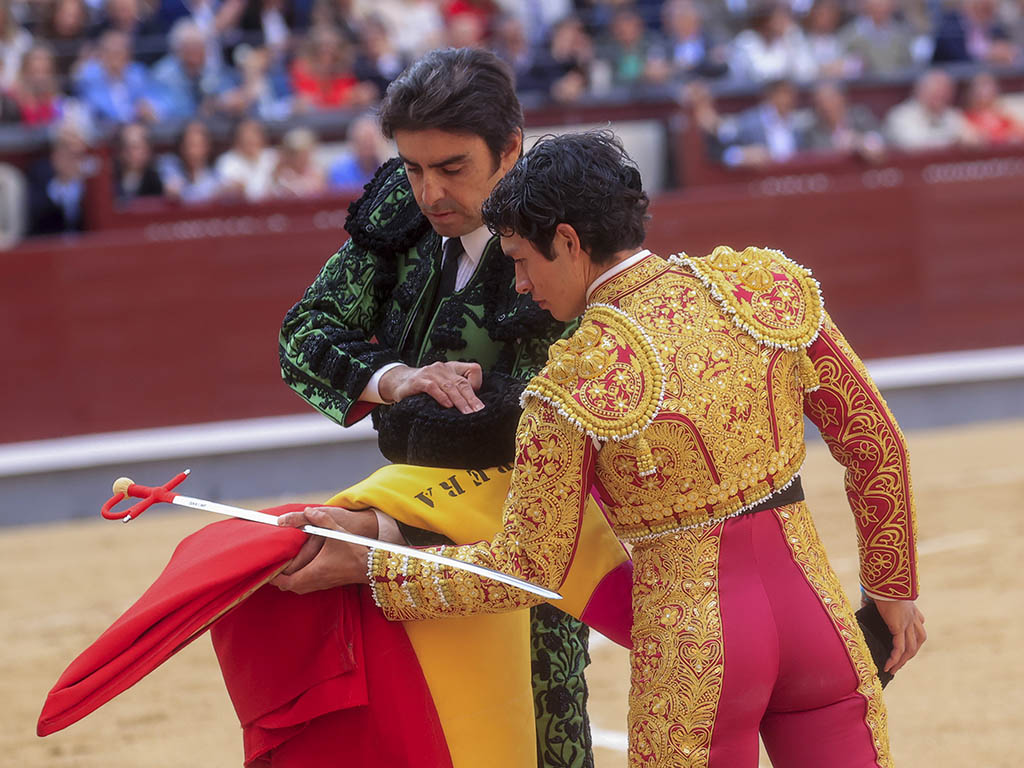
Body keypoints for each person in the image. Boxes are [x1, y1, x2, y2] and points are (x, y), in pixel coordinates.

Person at [278, 129, 926, 767]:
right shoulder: (760, 288)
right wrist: (891, 591)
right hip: (818, 620)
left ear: (567, 242)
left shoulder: (571, 384)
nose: (521, 284)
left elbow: (528, 568)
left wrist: (376, 567)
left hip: (693, 651)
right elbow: (876, 445)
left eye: (522, 260)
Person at [276, 47, 593, 768]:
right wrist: (397, 379)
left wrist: (382, 529)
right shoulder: (403, 214)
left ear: (510, 149)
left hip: (523, 528)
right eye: (414, 167)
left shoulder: (563, 236)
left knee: (540, 730)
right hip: (406, 505)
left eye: (452, 167)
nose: (429, 192)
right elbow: (304, 334)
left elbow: (543, 422)